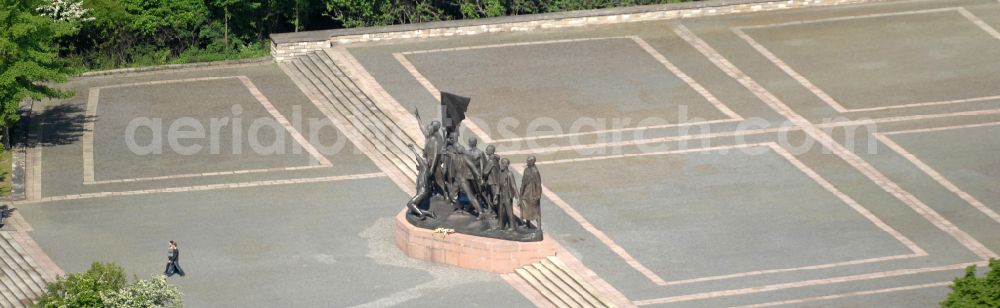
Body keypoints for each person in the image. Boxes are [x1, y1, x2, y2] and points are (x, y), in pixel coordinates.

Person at [519, 156, 542, 229]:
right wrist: (521, 192)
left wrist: (538, 195)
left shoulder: (535, 171)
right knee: (525, 208)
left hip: (533, 193)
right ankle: (527, 223)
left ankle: (538, 227)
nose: (527, 162)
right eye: (527, 160)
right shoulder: (526, 170)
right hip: (526, 192)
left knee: (535, 210)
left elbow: (538, 184)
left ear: (532, 162)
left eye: (528, 161)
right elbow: (523, 182)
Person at [496, 158, 519, 231]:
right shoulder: (500, 173)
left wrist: (518, 198)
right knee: (501, 211)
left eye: (503, 163)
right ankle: (501, 225)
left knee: (509, 212)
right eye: (501, 163)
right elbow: (498, 185)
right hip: (502, 195)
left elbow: (513, 186)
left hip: (508, 196)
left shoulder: (509, 174)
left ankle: (512, 226)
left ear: (507, 165)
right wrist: (496, 195)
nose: (501, 165)